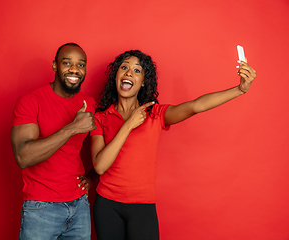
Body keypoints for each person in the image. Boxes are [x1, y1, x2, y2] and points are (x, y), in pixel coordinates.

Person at [90, 50, 256, 240]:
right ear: (116, 76)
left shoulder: (155, 114)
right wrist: (128, 125)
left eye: (137, 70)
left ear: (143, 82)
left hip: (143, 205)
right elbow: (100, 166)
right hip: (107, 205)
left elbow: (195, 106)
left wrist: (240, 90)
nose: (129, 73)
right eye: (124, 68)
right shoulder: (100, 118)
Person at [11, 42, 97, 240]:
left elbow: (108, 140)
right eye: (67, 63)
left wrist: (92, 176)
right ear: (55, 66)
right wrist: (72, 127)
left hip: (79, 206)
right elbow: (23, 156)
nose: (74, 69)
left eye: (81, 64)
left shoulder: (88, 103)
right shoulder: (31, 101)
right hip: (41, 207)